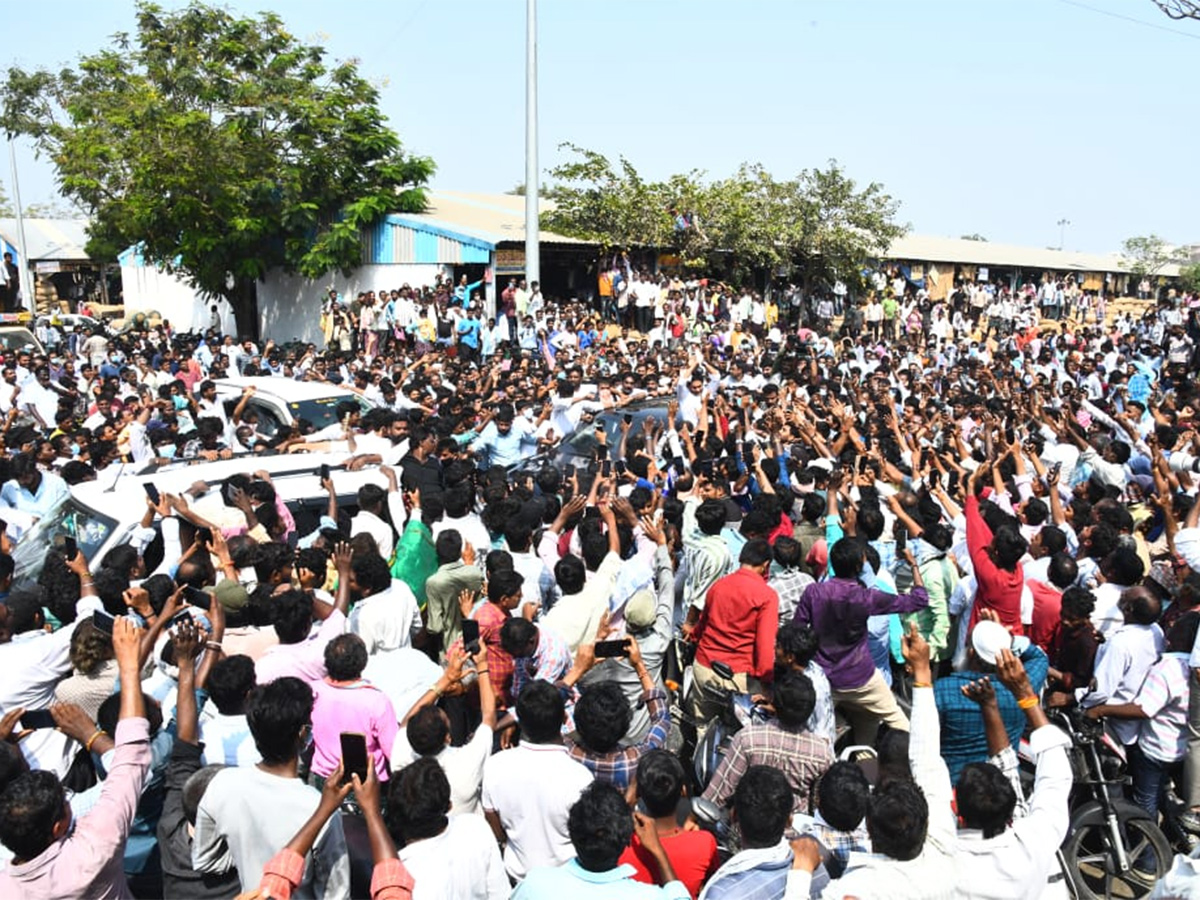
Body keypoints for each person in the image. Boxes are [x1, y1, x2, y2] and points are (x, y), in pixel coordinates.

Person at [0, 616, 151, 900]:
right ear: (59, 827)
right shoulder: (95, 846)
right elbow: (133, 763)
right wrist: (90, 734)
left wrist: (8, 755)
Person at [191, 676, 352, 898]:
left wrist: (247, 856)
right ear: (302, 734)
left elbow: (204, 859)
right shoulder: (320, 807)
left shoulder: (222, 784)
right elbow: (337, 892)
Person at [794, 535, 928, 743]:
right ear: (859, 567)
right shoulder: (867, 597)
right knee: (900, 724)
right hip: (861, 677)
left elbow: (797, 630)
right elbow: (919, 600)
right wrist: (914, 565)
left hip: (824, 676)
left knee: (814, 737)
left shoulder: (814, 592)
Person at [481, 679, 594, 882]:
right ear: (564, 717)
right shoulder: (580, 777)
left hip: (517, 882)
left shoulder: (494, 766)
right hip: (567, 884)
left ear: (520, 722)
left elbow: (494, 827)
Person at [515, 781, 692, 898]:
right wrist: (658, 852)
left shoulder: (535, 885)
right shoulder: (648, 896)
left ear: (572, 834)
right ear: (626, 841)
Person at [702, 670, 833, 815]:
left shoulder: (748, 739)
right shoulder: (822, 753)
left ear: (775, 704)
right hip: (797, 832)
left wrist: (695, 817)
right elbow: (821, 803)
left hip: (749, 828)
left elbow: (719, 791)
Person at [688, 539, 780, 726]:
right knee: (742, 735)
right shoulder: (766, 596)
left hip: (705, 667)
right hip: (740, 677)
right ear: (765, 565)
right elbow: (765, 645)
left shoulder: (719, 585)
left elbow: (702, 625)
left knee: (704, 728)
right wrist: (767, 684)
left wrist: (693, 636)